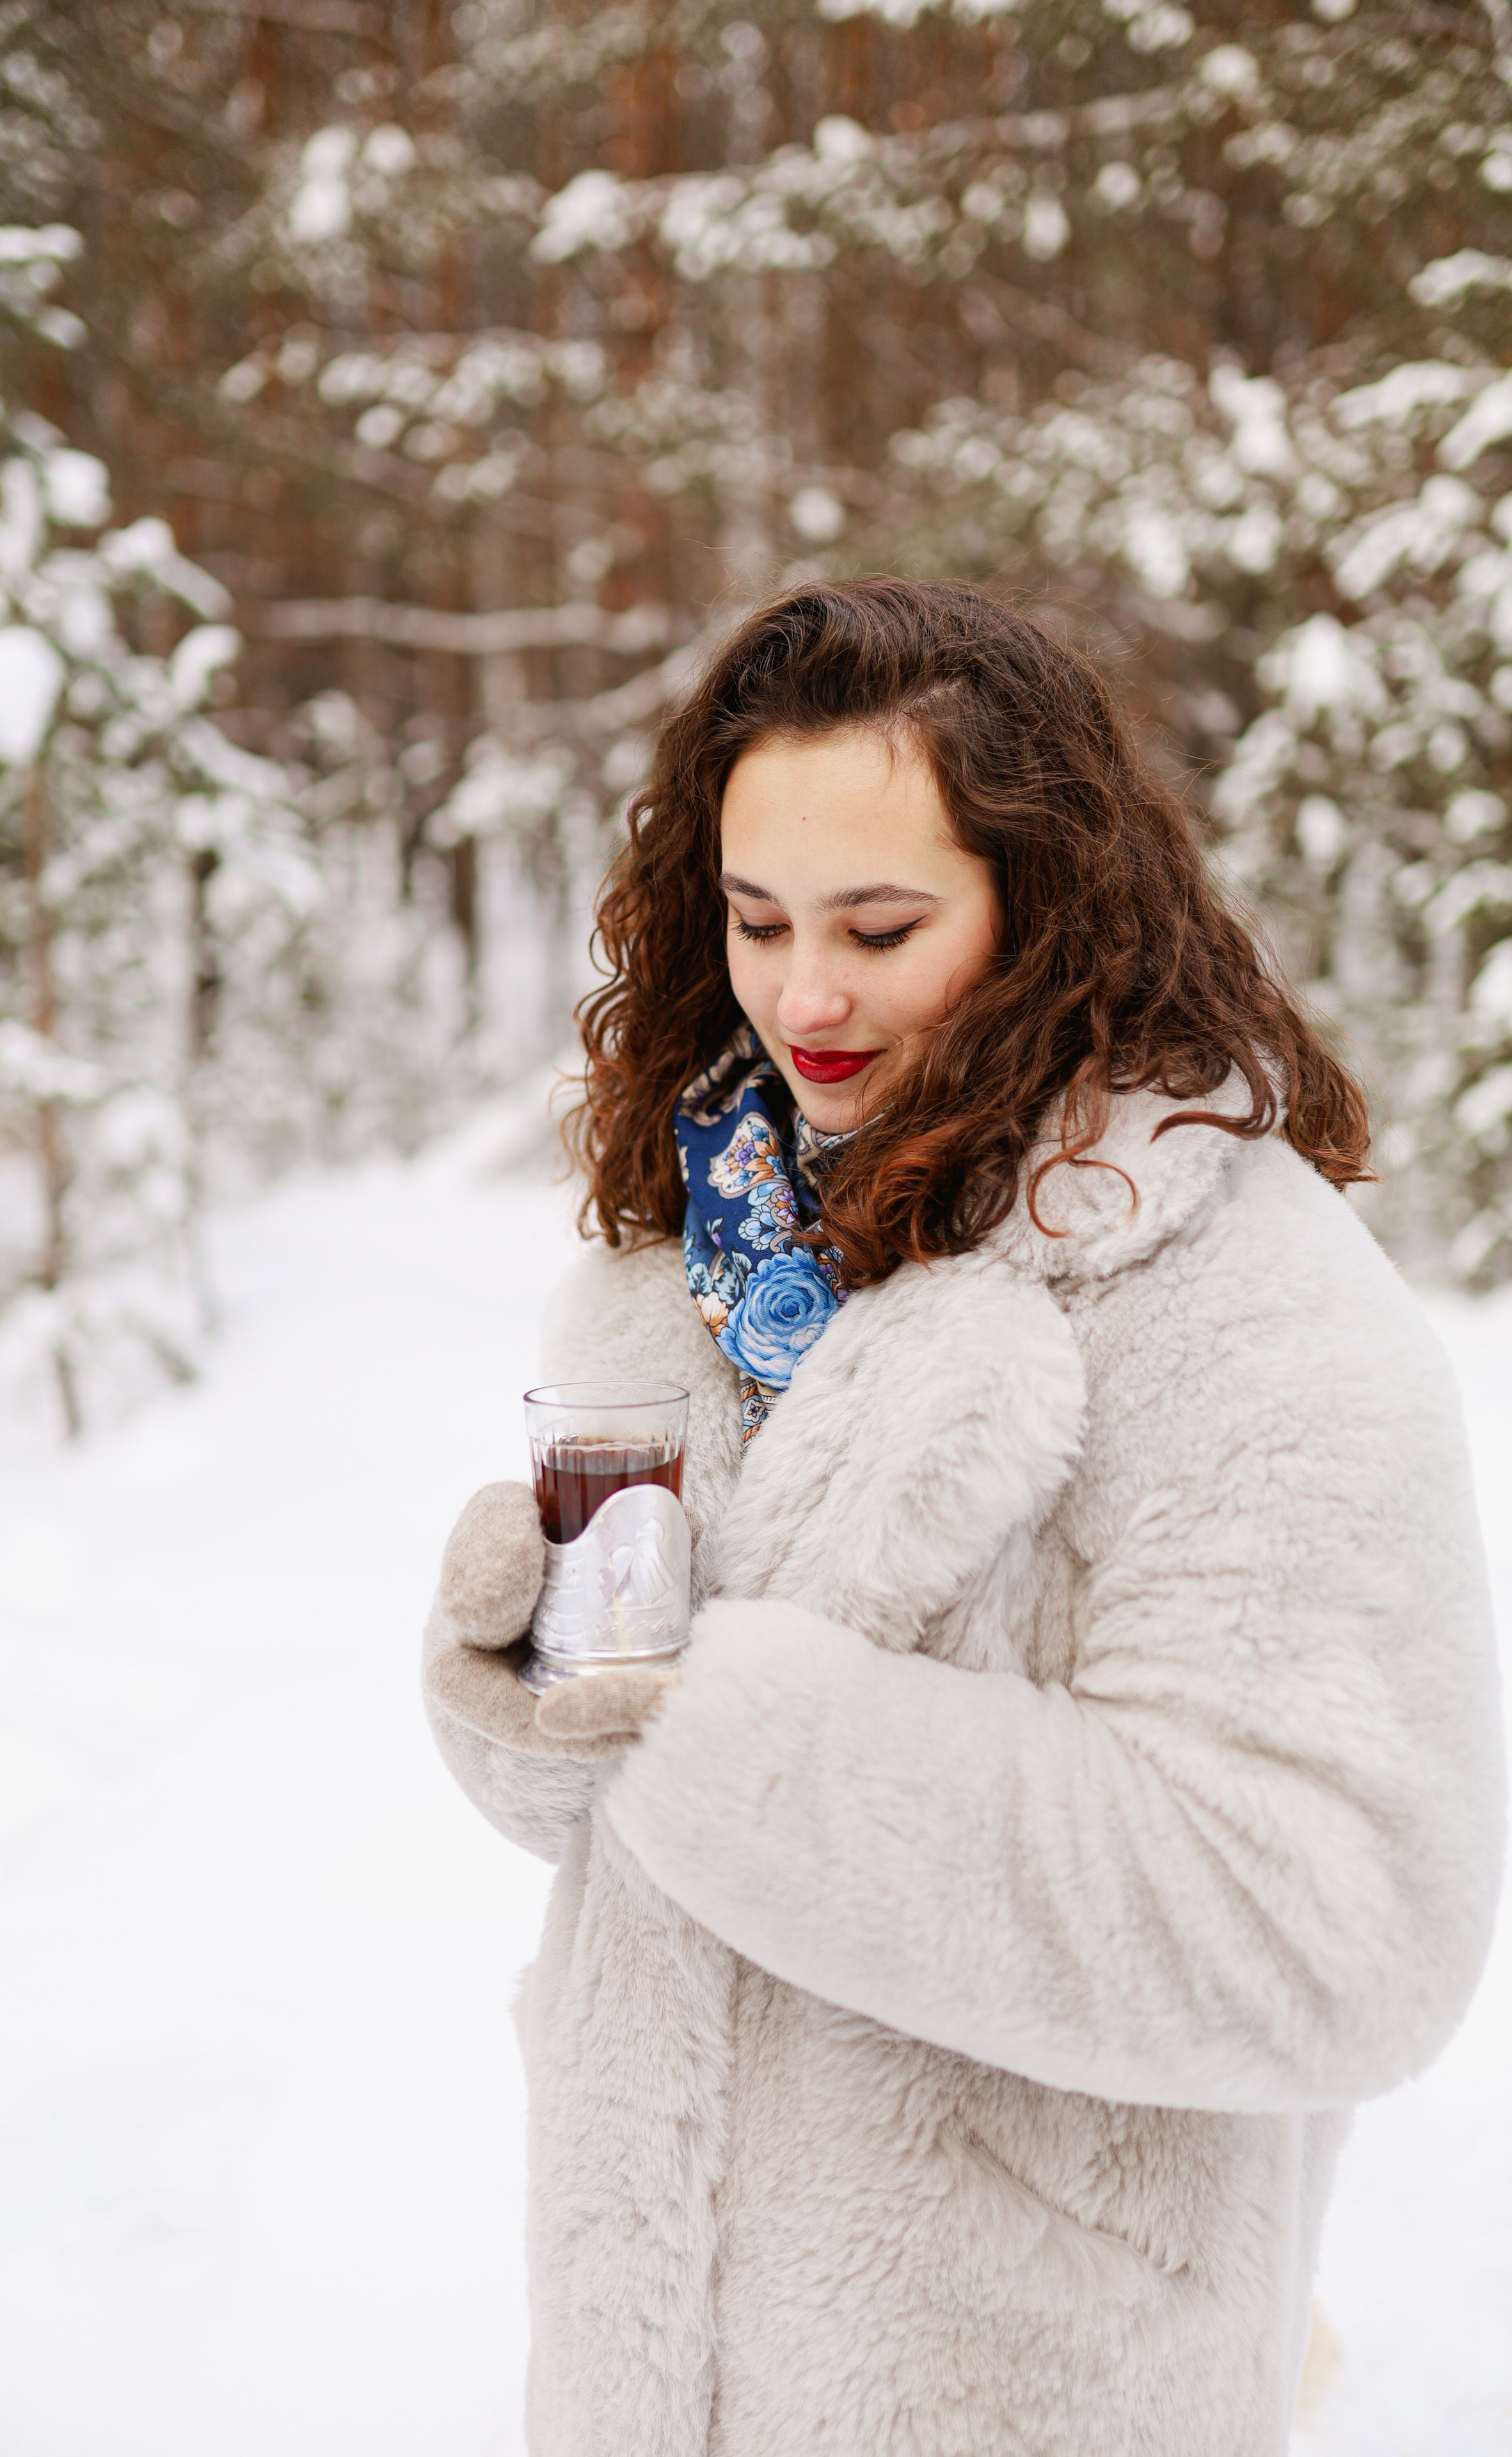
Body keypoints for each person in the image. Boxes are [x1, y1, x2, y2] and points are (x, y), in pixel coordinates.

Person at [424, 579, 1504, 2457]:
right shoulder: (687, 1253)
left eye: (881, 926)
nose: (803, 997)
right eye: (756, 920)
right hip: (646, 2370)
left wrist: (737, 1739)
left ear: (1045, 908)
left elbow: (1350, 1926)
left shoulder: (1231, 1291)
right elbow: (633, 1818)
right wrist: (528, 1703)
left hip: (1026, 2378)